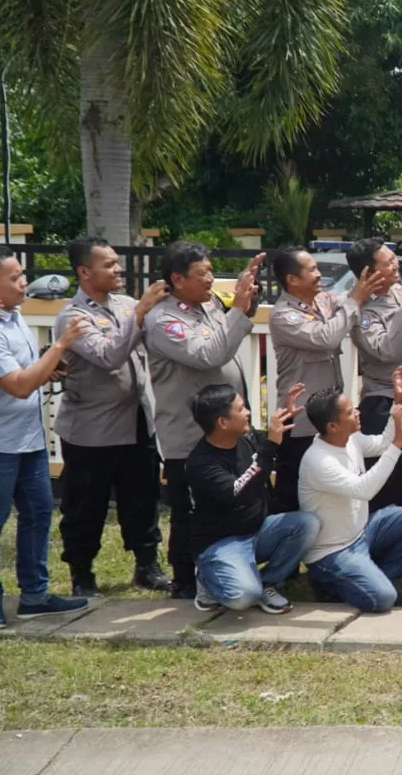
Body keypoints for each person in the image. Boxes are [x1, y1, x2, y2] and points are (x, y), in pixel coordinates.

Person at [0, 245, 90, 628]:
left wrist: (49, 368)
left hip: (29, 437)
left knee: (38, 513)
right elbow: (19, 386)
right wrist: (60, 346)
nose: (25, 282)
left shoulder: (15, 317)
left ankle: (35, 595)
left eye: (23, 275)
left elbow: (27, 372)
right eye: (15, 277)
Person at [143, 241, 265, 598]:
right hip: (188, 433)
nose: (211, 279)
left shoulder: (208, 304)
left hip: (225, 431)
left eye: (212, 271)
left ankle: (226, 566)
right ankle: (184, 580)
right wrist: (239, 310)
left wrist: (245, 298)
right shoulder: (165, 320)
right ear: (178, 279)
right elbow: (210, 355)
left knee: (233, 500)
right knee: (189, 510)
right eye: (203, 274)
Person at [52, 237, 172, 596]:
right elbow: (107, 356)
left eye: (117, 262)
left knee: (142, 496)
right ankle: (82, 574)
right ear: (84, 272)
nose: (118, 269)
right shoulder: (73, 317)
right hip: (92, 429)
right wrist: (138, 316)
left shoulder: (125, 304)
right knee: (86, 504)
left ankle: (147, 565)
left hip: (136, 418)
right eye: (109, 265)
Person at [298, 367, 402, 612]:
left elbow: (383, 443)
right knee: (383, 599)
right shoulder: (319, 461)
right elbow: (364, 490)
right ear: (332, 426)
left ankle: (378, 576)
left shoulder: (350, 439)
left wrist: (399, 402)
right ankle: (329, 582)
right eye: (351, 411)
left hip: (362, 533)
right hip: (333, 552)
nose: (358, 412)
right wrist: (398, 446)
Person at [269, 246, 390, 514]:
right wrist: (354, 301)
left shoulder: (322, 300)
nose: (319, 273)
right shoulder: (283, 315)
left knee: (331, 488)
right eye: (311, 269)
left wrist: (365, 289)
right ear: (292, 280)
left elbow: (348, 300)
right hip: (300, 419)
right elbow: (327, 336)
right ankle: (282, 544)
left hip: (328, 417)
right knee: (293, 492)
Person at [184, 382, 320, 614]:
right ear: (222, 422)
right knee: (242, 597)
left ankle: (267, 582)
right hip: (221, 543)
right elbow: (238, 491)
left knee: (307, 524)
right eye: (241, 408)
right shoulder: (201, 463)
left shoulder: (245, 439)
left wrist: (285, 415)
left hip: (257, 531)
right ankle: (208, 578)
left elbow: (270, 446)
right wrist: (270, 447)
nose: (248, 411)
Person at [346, 237, 402, 511]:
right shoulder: (362, 309)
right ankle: (379, 544)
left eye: (394, 258)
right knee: (388, 483)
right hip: (384, 404)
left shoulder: (396, 289)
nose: (396, 265)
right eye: (388, 262)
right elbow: (386, 350)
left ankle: (400, 542)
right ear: (368, 273)